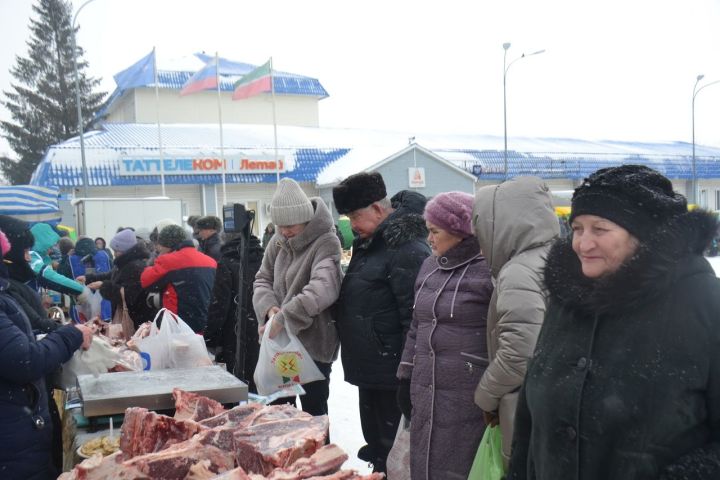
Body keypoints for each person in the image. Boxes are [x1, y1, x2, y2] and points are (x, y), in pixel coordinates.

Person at [507, 165, 720, 480]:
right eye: (577, 228)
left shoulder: (703, 303)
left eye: (600, 229)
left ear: (643, 234)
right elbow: (530, 418)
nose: (583, 244)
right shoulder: (568, 299)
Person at [332, 172, 430, 473]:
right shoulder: (372, 243)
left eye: (355, 216)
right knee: (378, 448)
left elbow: (415, 318)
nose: (352, 225)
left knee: (394, 452)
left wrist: (407, 376)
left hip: (392, 375)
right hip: (372, 371)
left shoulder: (405, 249)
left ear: (377, 209)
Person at [397, 191, 493, 480]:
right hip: (425, 385)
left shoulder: (488, 269)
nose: (429, 239)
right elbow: (417, 324)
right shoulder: (429, 266)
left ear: (459, 230)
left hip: (467, 391)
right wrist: (406, 371)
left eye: (435, 231)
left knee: (459, 465)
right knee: (424, 460)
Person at [471, 176, 560, 466]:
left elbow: (519, 353)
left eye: (482, 233)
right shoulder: (559, 258)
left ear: (500, 226)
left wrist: (485, 396)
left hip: (525, 409)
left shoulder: (519, 272)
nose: (481, 247)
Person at [0, 228, 94, 480]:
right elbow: (24, 359)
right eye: (24, 251)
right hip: (13, 443)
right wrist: (70, 335)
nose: (28, 257)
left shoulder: (8, 290)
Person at [253, 178, 342, 415]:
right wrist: (269, 308)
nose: (284, 231)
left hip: (313, 345)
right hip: (281, 347)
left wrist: (285, 317)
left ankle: (318, 453)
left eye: (291, 225)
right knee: (280, 414)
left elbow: (323, 288)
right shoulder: (278, 241)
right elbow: (262, 279)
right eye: (280, 225)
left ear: (305, 217)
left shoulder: (326, 241)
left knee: (313, 415)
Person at [206, 229, 263, 388]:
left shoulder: (226, 263)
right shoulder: (264, 259)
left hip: (235, 334)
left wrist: (210, 338)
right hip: (263, 329)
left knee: (241, 386)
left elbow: (219, 306)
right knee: (263, 381)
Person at [140, 224, 217, 333]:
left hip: (177, 327)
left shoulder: (169, 261)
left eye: (160, 245)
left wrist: (155, 261)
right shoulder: (211, 262)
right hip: (203, 323)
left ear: (168, 245)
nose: (159, 248)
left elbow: (146, 281)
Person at [84, 228, 157, 329]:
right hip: (130, 316)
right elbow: (111, 275)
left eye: (116, 250)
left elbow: (129, 295)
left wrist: (103, 286)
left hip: (136, 320)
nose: (114, 254)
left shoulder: (136, 267)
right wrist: (88, 278)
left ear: (124, 250)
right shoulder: (125, 263)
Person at [68, 237, 112, 322]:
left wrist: (65, 256)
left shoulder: (70, 260)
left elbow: (62, 274)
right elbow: (112, 275)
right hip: (104, 305)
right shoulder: (104, 256)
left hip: (79, 303)